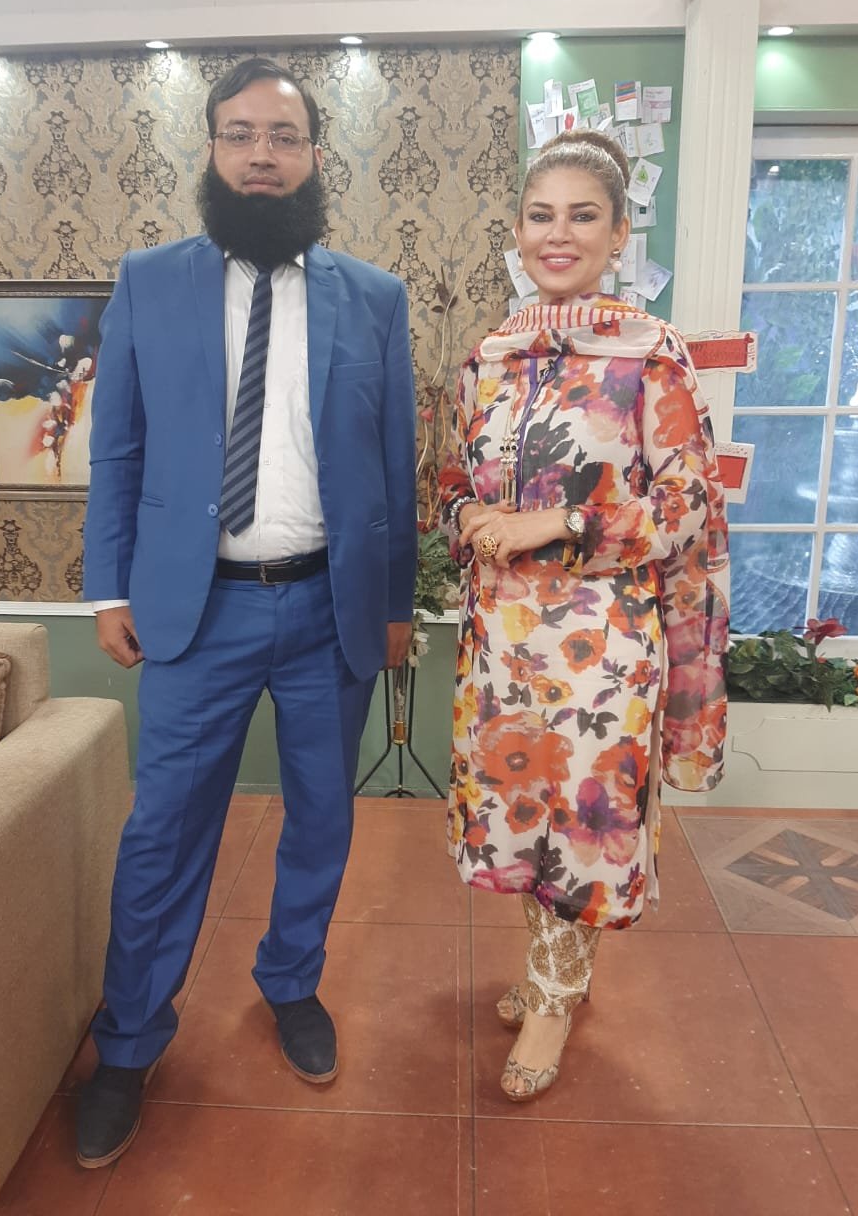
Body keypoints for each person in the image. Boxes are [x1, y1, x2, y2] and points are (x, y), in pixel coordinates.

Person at [79, 57, 418, 1166]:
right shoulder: (149, 281)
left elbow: (395, 464)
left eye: (283, 136)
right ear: (213, 149)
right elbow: (118, 447)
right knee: (165, 831)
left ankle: (291, 981)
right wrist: (109, 586)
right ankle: (129, 1040)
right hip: (195, 613)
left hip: (331, 607)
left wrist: (397, 602)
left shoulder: (374, 297)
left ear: (315, 154)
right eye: (240, 134)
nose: (261, 155)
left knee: (323, 817)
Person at [439, 129, 729, 1103]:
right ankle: (548, 968)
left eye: (582, 216)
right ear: (519, 230)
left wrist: (557, 522)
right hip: (500, 641)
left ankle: (557, 996)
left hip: (600, 646)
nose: (557, 234)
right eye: (540, 215)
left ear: (617, 236)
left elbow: (687, 505)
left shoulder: (651, 356)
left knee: (580, 820)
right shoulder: (490, 354)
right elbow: (454, 481)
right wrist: (468, 516)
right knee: (523, 812)